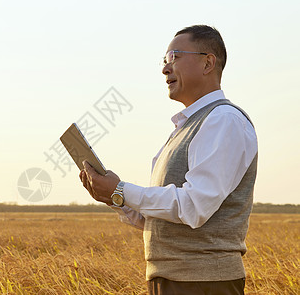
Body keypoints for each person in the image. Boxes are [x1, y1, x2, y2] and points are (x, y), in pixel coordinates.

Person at [79, 25, 258, 295]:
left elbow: (194, 206)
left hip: (203, 284)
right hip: (173, 281)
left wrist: (121, 190)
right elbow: (164, 219)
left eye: (174, 56)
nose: (165, 68)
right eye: (164, 60)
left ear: (208, 62)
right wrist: (116, 198)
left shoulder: (223, 120)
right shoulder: (186, 127)